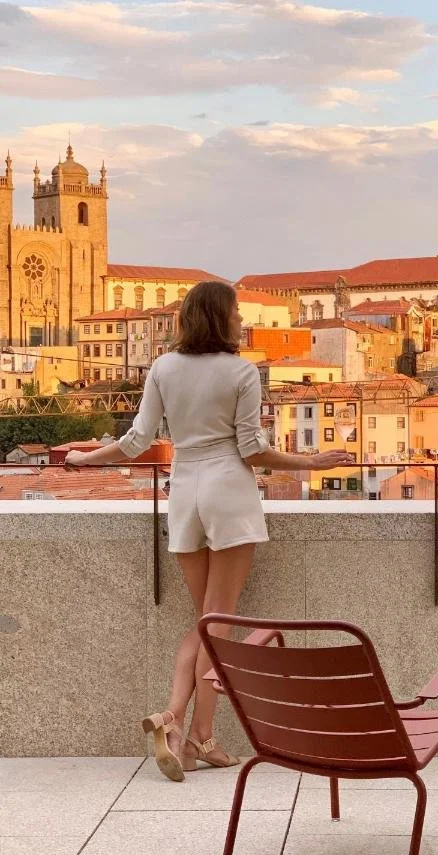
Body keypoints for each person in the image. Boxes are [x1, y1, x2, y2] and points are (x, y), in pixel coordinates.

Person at [65, 282, 352, 782]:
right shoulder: (241, 371)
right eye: (237, 312)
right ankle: (188, 728)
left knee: (205, 619)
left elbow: (137, 441)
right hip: (227, 490)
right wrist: (312, 461)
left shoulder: (163, 368)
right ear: (223, 318)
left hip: (185, 491)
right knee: (217, 623)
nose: (242, 318)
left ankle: (187, 733)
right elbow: (252, 451)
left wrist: (83, 458)